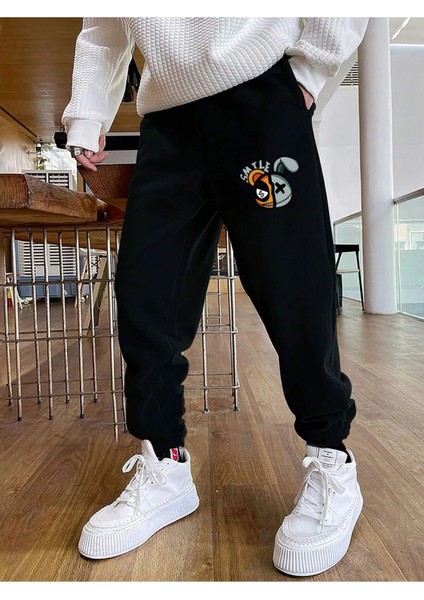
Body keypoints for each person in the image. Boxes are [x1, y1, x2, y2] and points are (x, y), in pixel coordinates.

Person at [62, 17, 369, 576]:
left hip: (260, 92)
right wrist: (88, 111)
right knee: (146, 292)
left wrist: (312, 65)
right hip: (166, 118)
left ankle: (332, 457)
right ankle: (166, 462)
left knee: (293, 287)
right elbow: (103, 21)